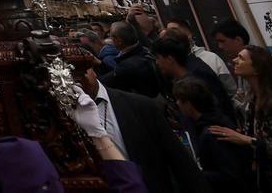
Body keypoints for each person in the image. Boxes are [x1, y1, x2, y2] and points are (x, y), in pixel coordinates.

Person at [75, 66, 207, 193]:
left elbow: (181, 162)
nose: (77, 77)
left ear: (92, 69)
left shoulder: (141, 106)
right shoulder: (67, 118)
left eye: (80, 69)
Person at [209, 44, 272, 192]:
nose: (234, 60)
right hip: (269, 177)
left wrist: (248, 140)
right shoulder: (253, 97)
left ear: (257, 69)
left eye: (241, 58)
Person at [172, 76, 252, 193]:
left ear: (188, 104)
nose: (177, 103)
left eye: (179, 100)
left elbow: (229, 174)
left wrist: (198, 173)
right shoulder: (217, 118)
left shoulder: (211, 133)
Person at [151, 34, 235, 118]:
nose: (157, 63)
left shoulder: (198, 75)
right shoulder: (180, 78)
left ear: (170, 59)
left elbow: (217, 110)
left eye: (158, 58)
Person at [164, 19, 234, 97]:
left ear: (188, 34)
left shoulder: (211, 58)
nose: (170, 36)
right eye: (168, 32)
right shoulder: (173, 63)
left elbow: (231, 90)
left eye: (174, 31)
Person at [97, 21, 160, 99]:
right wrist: (100, 63)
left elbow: (104, 83)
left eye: (111, 36)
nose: (110, 39)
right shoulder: (144, 50)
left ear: (119, 40)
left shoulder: (127, 66)